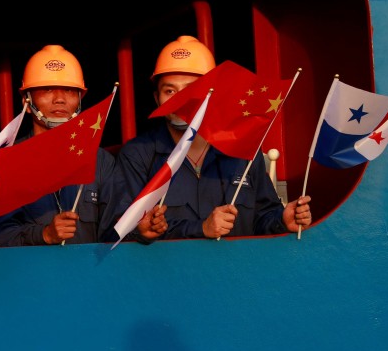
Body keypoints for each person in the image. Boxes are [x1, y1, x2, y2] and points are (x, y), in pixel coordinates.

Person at [115, 35, 312, 240]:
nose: (181, 101)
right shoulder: (137, 155)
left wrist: (283, 219)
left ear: (213, 94)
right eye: (170, 91)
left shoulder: (242, 150)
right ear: (157, 99)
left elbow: (262, 218)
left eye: (193, 89)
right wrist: (200, 228)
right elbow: (119, 230)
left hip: (235, 271)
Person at [0, 45, 125, 246]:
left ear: (80, 99)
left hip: (89, 275)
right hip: (30, 275)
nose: (60, 99)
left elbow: (114, 234)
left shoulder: (101, 161)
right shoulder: (7, 162)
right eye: (47, 90)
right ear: (26, 100)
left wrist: (140, 230)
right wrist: (44, 234)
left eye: (70, 91)